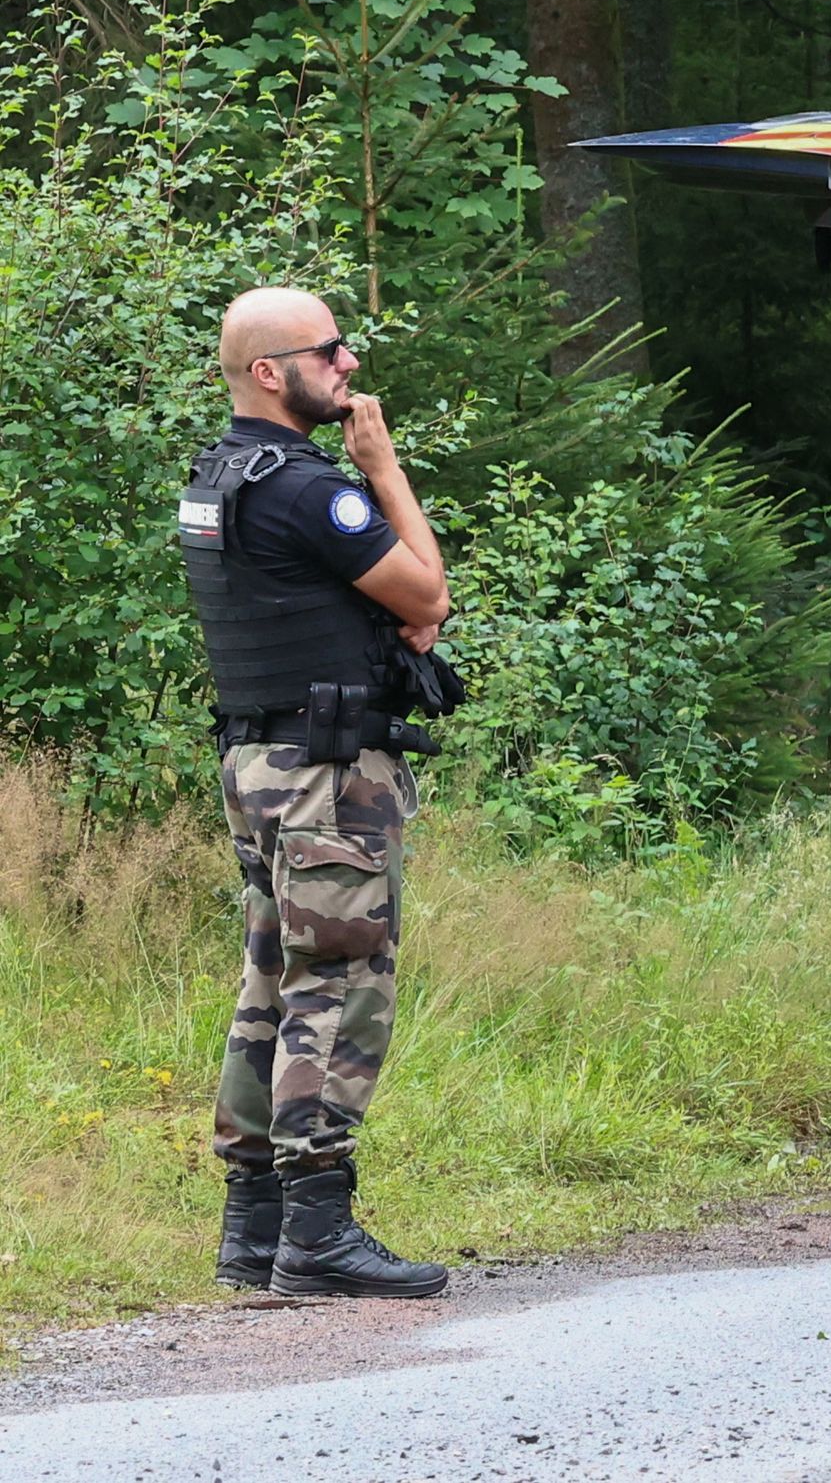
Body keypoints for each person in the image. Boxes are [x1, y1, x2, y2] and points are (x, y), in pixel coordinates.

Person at [185, 289, 456, 1301]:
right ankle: (319, 1229)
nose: (348, 366)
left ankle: (253, 1230)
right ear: (270, 371)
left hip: (259, 767)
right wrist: (380, 465)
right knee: (336, 987)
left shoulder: (219, 477)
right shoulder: (310, 490)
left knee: (272, 980)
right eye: (329, 351)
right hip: (326, 777)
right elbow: (426, 594)